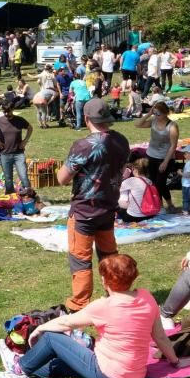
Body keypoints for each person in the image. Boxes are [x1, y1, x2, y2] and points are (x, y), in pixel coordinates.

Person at [4, 254, 185, 378]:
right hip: (136, 375)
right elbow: (160, 336)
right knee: (57, 364)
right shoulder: (147, 298)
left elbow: (66, 322)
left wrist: (40, 328)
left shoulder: (104, 306)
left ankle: (19, 369)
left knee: (52, 338)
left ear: (104, 280)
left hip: (106, 373)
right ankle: (26, 364)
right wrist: (175, 361)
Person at [57, 98, 131, 310]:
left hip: (84, 210)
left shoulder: (83, 145)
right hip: (108, 207)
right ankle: (116, 294)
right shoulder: (122, 140)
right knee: (109, 255)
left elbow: (63, 178)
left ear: (87, 118)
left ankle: (79, 304)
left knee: (80, 258)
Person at [135, 101, 179, 211]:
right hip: (151, 156)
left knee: (161, 183)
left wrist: (165, 162)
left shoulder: (172, 126)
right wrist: (149, 114)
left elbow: (173, 146)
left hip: (165, 158)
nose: (157, 116)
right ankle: (160, 206)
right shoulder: (153, 121)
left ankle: (167, 205)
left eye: (159, 114)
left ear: (165, 113)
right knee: (154, 183)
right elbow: (137, 124)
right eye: (155, 114)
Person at [0, 99, 33, 195]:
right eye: (4, 111)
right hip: (5, 154)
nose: (6, 113)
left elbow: (30, 128)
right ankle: (10, 198)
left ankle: (29, 195)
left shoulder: (19, 120)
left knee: (23, 176)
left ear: (12, 109)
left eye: (8, 111)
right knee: (8, 179)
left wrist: (25, 141)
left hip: (18, 153)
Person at [117, 157, 157, 223]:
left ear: (135, 169)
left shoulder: (131, 180)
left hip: (134, 217)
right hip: (150, 214)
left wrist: (123, 178)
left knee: (117, 198)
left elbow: (116, 189)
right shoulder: (150, 181)